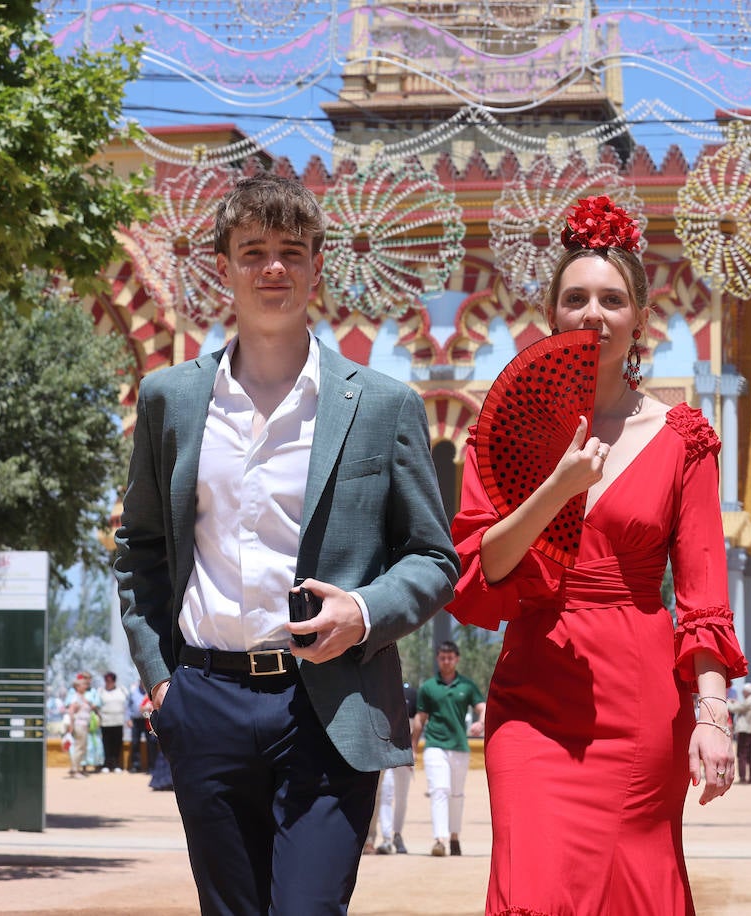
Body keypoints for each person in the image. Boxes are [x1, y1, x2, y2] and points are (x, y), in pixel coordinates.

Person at [113, 173, 460, 915]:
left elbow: (434, 558)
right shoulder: (169, 400)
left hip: (329, 710)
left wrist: (363, 613)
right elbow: (139, 547)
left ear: (316, 265)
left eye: (292, 252)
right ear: (224, 266)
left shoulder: (382, 405)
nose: (274, 269)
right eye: (254, 252)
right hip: (204, 698)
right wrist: (162, 684)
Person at [448, 194, 746, 915]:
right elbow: (484, 566)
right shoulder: (506, 431)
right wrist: (556, 488)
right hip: (532, 698)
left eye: (612, 300)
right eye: (575, 297)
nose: (594, 314)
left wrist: (712, 715)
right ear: (551, 312)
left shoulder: (685, 437)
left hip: (640, 702)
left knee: (629, 888)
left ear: (640, 318)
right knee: (533, 887)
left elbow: (703, 596)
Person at [417, 642, 484, 857]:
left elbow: (482, 707)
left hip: (459, 746)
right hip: (435, 745)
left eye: (450, 657)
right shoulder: (428, 687)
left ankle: (455, 837)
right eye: (442, 657)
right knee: (439, 790)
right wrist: (411, 746)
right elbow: (421, 718)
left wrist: (481, 722)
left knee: (456, 794)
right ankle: (440, 840)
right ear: (438, 659)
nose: (446, 661)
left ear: (457, 659)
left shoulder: (467, 685)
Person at [368, 680, 419, 855]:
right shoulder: (376, 690)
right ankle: (386, 838)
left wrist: (413, 746)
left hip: (403, 749)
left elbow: (417, 720)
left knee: (401, 796)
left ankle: (397, 834)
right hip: (383, 749)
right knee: (385, 793)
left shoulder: (411, 693)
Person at [63, 672, 97, 778]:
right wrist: (71, 727)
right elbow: (71, 711)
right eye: (83, 685)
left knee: (82, 748)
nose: (85, 686)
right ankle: (75, 770)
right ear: (77, 686)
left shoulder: (82, 697)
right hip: (79, 725)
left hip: (84, 725)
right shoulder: (75, 697)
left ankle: (77, 768)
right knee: (78, 748)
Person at [728, 682, 751, 784]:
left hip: (744, 730)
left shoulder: (749, 701)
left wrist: (728, 702)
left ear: (746, 692)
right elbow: (743, 707)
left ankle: (742, 778)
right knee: (750, 755)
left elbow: (734, 709)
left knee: (741, 755)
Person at [96, 672, 127, 773]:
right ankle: (107, 764)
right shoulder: (100, 691)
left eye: (111, 681)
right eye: (107, 681)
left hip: (118, 720)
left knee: (117, 743)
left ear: (114, 681)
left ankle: (116, 763)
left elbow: (128, 704)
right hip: (105, 721)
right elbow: (96, 706)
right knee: (106, 743)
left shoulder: (122, 690)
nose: (109, 683)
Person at [125, 682, 148, 773]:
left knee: (150, 743)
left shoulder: (149, 690)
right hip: (135, 720)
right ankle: (135, 765)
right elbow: (128, 707)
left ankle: (151, 766)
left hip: (148, 720)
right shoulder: (133, 692)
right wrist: (128, 719)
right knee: (135, 742)